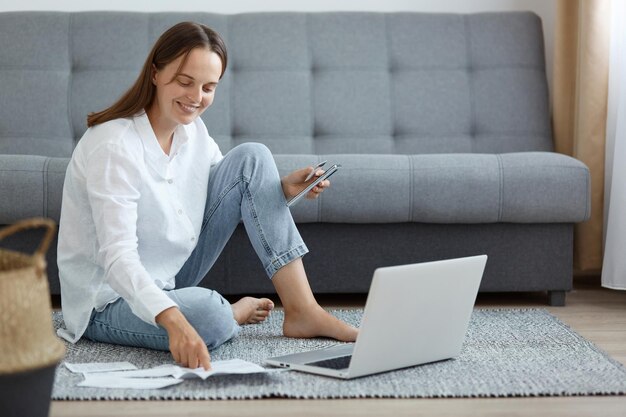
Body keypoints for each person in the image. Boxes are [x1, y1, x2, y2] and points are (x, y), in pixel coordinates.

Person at [56, 21, 358, 370]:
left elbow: (235, 185)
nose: (196, 98)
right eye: (185, 82)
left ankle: (303, 310)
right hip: (109, 300)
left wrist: (282, 188)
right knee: (211, 315)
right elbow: (118, 260)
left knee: (254, 157)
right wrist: (176, 321)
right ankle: (227, 312)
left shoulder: (192, 131)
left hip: (169, 274)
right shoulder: (114, 146)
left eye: (208, 87)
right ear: (155, 73)